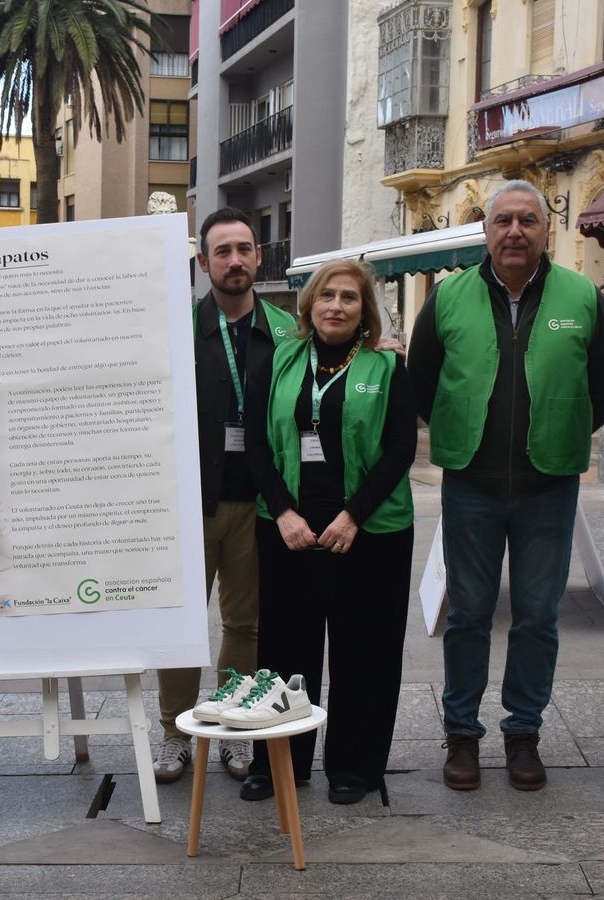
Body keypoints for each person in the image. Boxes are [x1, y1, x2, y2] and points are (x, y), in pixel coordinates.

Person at [408, 180, 604, 792]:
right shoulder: (449, 297)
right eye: (503, 220)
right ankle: (462, 736)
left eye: (528, 220)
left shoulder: (582, 296)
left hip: (548, 485)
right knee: (470, 613)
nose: (515, 231)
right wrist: (458, 430)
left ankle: (523, 733)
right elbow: (421, 379)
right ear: (486, 229)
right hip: (471, 483)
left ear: (544, 231)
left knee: (537, 616)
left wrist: (561, 429)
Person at [240, 259, 417, 804]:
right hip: (288, 528)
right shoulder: (280, 359)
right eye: (327, 296)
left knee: (364, 651)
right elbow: (255, 442)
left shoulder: (387, 367)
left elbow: (400, 449)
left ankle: (355, 766)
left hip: (370, 532)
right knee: (284, 650)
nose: (336, 306)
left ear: (365, 312)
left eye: (349, 298)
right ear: (309, 304)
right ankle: (277, 764)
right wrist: (285, 512)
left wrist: (352, 516)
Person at [155, 209, 297, 786]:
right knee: (182, 623)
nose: (234, 261)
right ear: (202, 263)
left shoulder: (290, 333)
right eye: (222, 252)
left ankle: (236, 725)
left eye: (244, 249)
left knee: (246, 623)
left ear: (259, 256)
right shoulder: (177, 329)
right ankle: (174, 732)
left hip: (262, 505)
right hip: (192, 503)